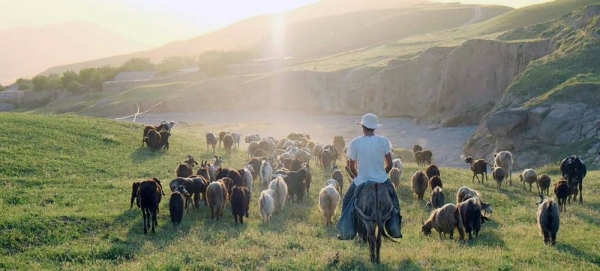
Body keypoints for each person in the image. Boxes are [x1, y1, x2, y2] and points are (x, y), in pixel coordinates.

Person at [336, 113, 402, 240]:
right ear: (374, 127)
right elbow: (389, 163)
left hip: (362, 180)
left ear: (363, 127)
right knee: (394, 198)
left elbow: (351, 166)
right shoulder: (384, 141)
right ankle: (395, 228)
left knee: (347, 199)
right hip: (382, 179)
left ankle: (345, 231)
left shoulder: (355, 142)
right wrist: (382, 174)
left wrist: (359, 177)